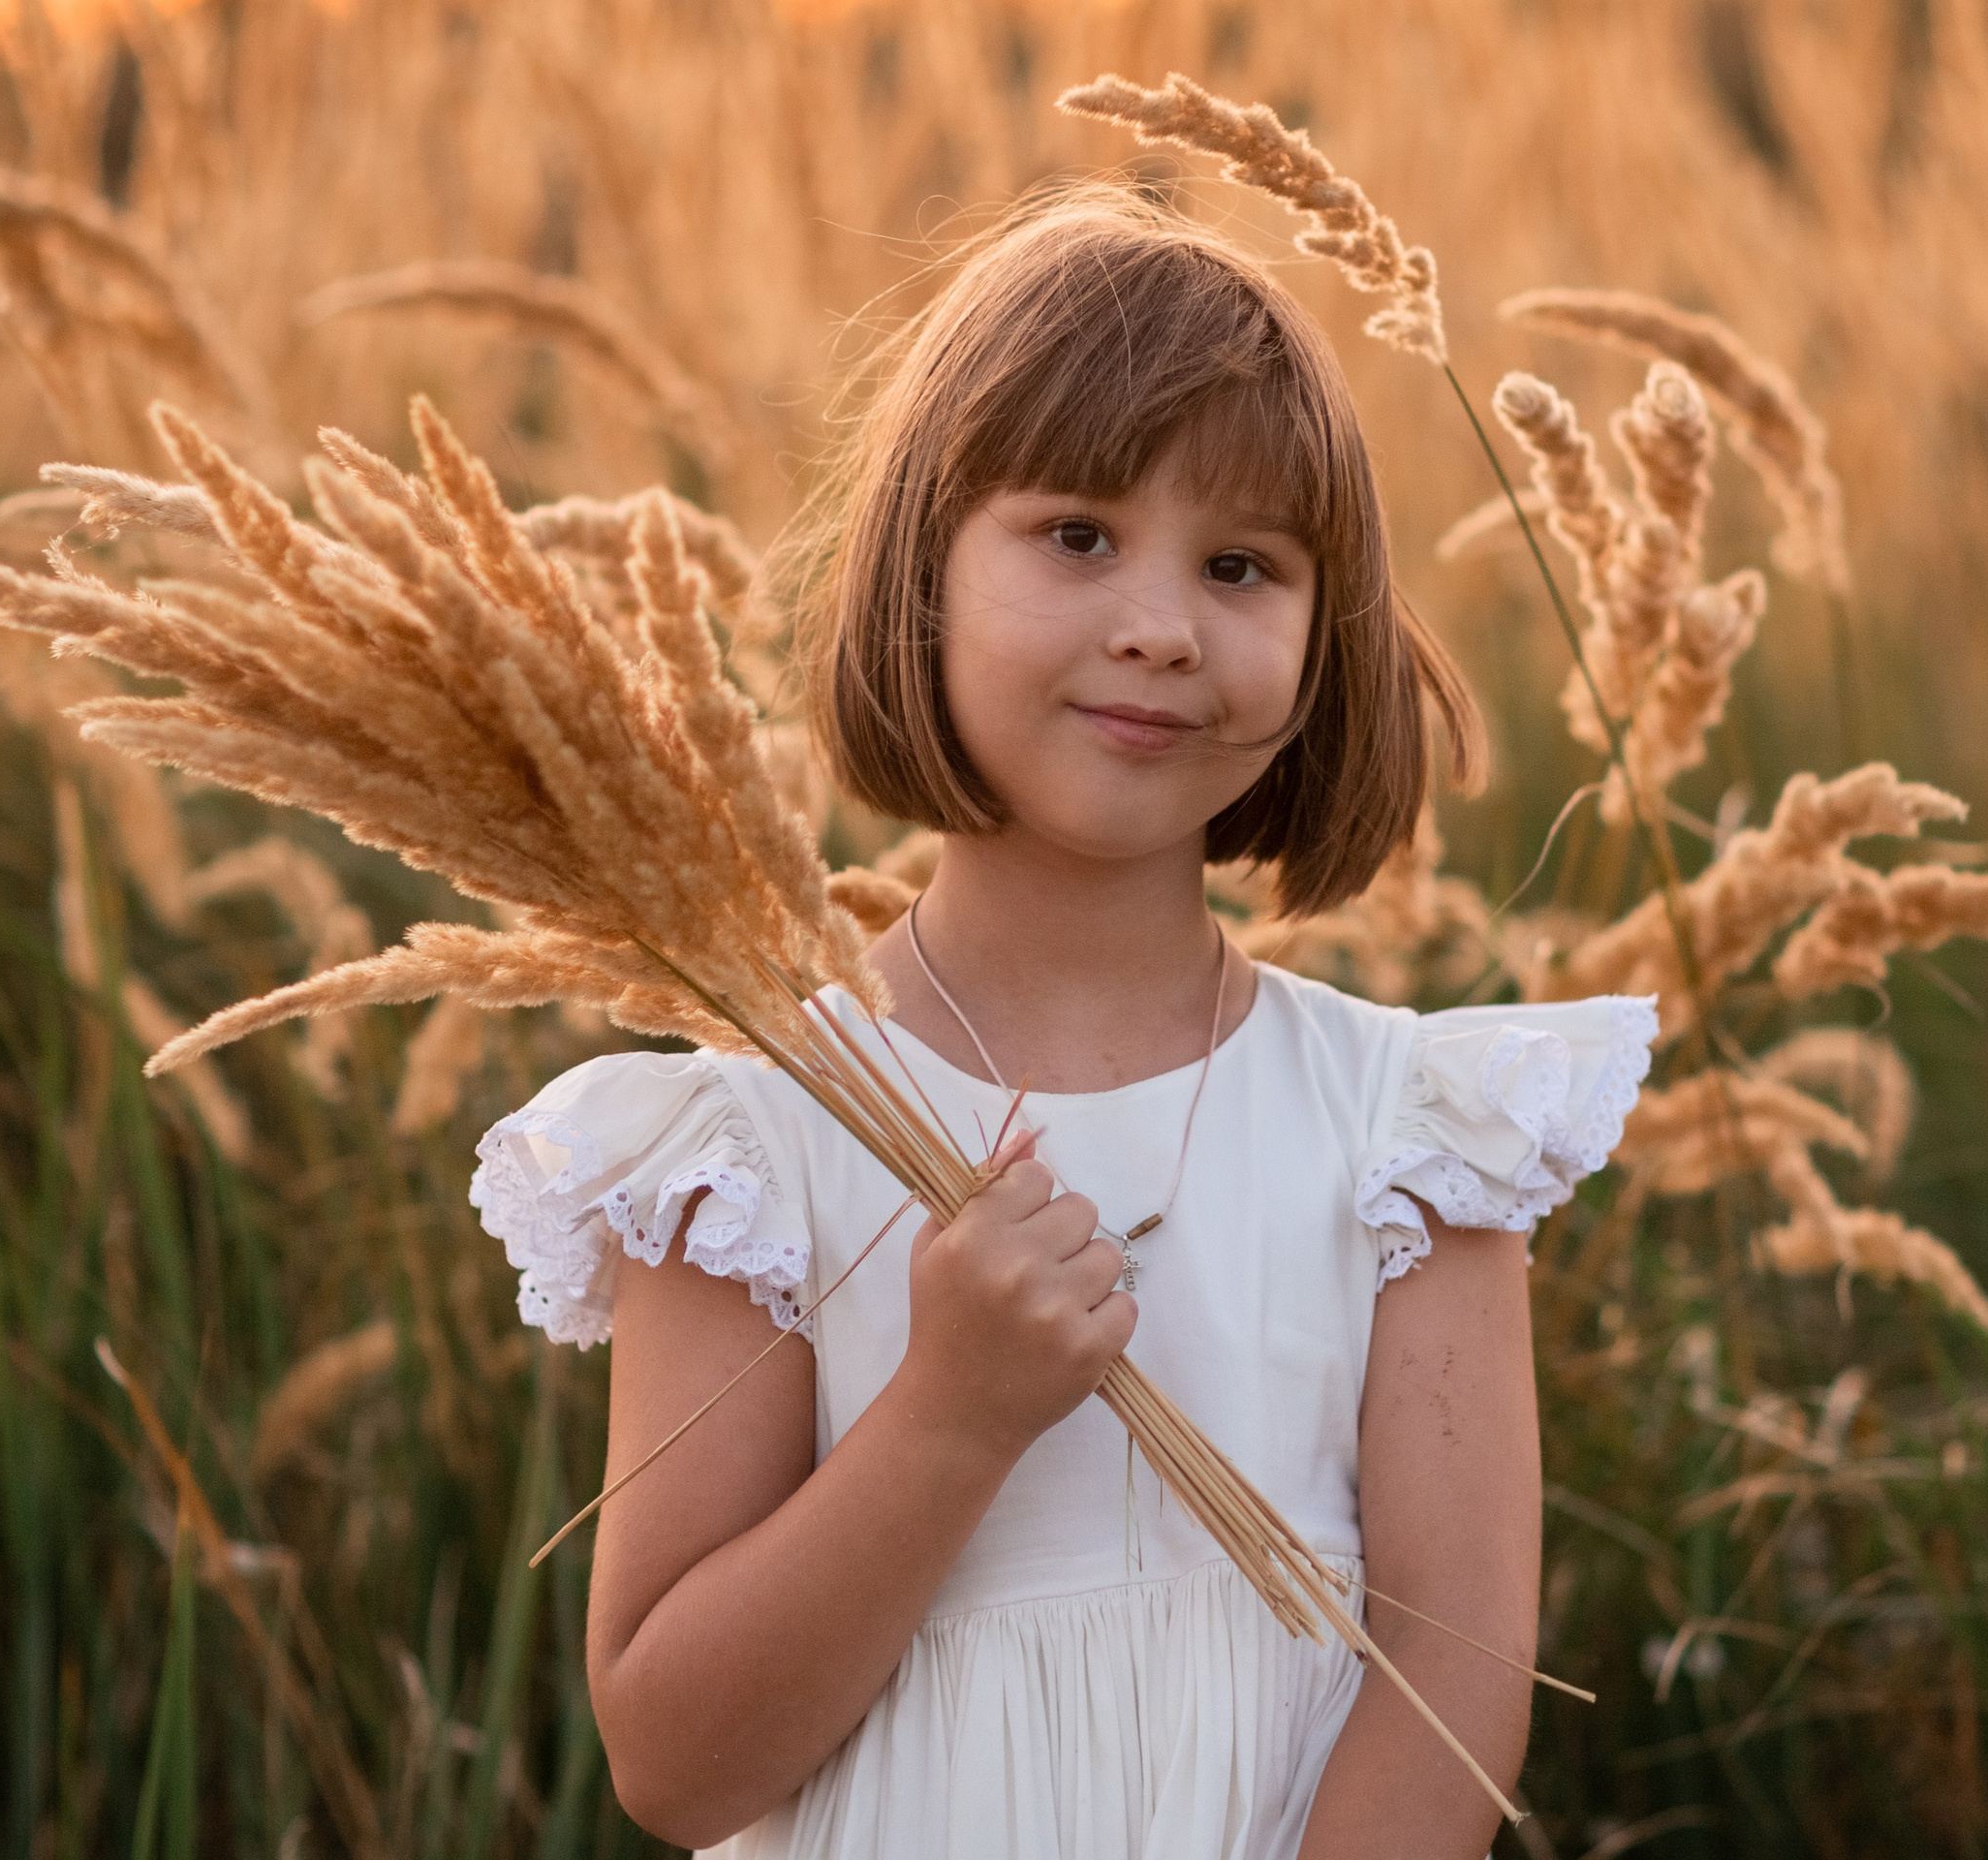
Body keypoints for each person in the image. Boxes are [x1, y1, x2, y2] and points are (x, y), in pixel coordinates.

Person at [468, 185, 1657, 1860]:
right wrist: (951, 1413)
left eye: (1241, 567)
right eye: (1077, 537)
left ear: (1324, 643)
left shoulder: (1406, 1138)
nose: (1163, 626)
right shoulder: (753, 1141)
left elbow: (1460, 1680)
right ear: (922, 572)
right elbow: (673, 1760)